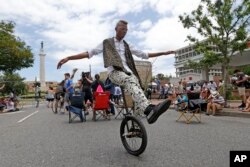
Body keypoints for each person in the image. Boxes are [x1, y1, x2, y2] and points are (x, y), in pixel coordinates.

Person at [57, 20, 175, 124]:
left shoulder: (127, 45)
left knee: (138, 89)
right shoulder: (107, 43)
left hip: (128, 73)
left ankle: (138, 121)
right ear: (116, 29)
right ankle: (149, 108)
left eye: (126, 30)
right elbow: (89, 53)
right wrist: (69, 57)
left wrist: (163, 53)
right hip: (115, 72)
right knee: (129, 80)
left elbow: (144, 55)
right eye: (122, 29)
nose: (124, 31)